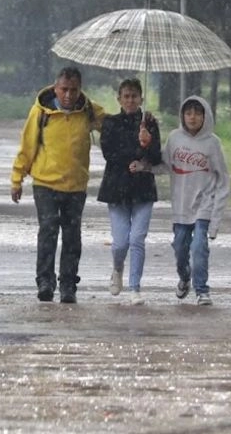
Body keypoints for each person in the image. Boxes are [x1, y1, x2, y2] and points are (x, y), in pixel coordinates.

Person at [11, 66, 107, 304]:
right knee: (48, 231)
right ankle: (45, 281)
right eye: (64, 89)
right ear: (55, 88)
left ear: (80, 89)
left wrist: (139, 124)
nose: (68, 95)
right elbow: (27, 146)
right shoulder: (41, 112)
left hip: (76, 186)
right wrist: (17, 178)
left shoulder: (88, 111)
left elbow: (114, 127)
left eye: (73, 90)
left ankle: (68, 285)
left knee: (72, 237)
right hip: (45, 183)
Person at [97, 78, 161, 305]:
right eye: (126, 96)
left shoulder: (149, 123)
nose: (130, 100)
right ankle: (117, 268)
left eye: (134, 96)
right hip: (117, 188)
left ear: (141, 98)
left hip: (143, 189)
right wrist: (134, 153)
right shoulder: (110, 122)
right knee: (120, 243)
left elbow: (156, 157)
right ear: (119, 99)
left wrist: (147, 143)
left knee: (137, 239)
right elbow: (109, 152)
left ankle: (135, 287)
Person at [161, 95, 230, 306]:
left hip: (204, 204)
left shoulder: (213, 143)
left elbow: (223, 180)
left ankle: (202, 289)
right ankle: (184, 277)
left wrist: (215, 220)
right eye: (188, 113)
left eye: (197, 113)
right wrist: (143, 165)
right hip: (181, 205)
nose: (192, 117)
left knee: (199, 247)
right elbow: (164, 164)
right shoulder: (174, 138)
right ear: (182, 115)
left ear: (205, 116)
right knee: (180, 248)